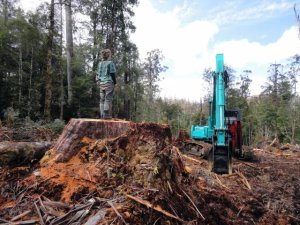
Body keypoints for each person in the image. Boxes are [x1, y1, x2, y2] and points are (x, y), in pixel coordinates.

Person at [96, 49, 117, 119]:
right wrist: (115, 83)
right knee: (107, 99)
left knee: (102, 99)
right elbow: (112, 74)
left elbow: (97, 74)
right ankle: (106, 115)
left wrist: (98, 81)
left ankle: (102, 115)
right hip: (109, 83)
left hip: (101, 83)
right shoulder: (110, 63)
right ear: (108, 55)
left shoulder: (100, 64)